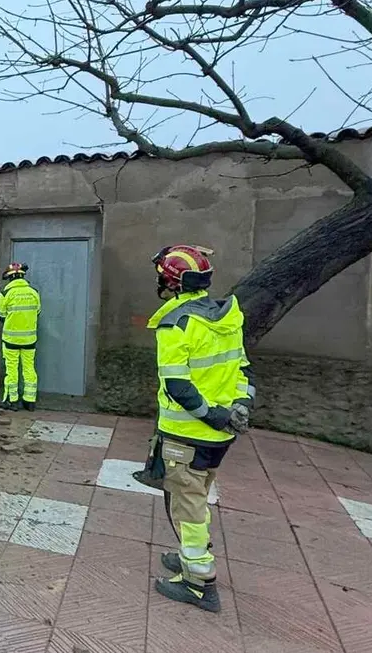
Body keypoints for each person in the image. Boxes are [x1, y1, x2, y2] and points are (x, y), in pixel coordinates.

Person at [143, 245, 254, 613]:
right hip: (218, 437)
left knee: (186, 507)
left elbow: (178, 385)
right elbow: (242, 371)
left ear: (171, 281)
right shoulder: (227, 316)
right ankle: (187, 557)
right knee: (198, 495)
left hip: (188, 434)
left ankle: (198, 582)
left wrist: (211, 416)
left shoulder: (177, 323)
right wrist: (239, 408)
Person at [0, 262, 40, 411]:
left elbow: (0, 315)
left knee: (11, 370)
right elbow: (38, 312)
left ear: (10, 278)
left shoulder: (6, 293)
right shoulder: (34, 292)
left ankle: (12, 401)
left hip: (11, 340)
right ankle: (30, 401)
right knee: (29, 368)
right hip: (29, 340)